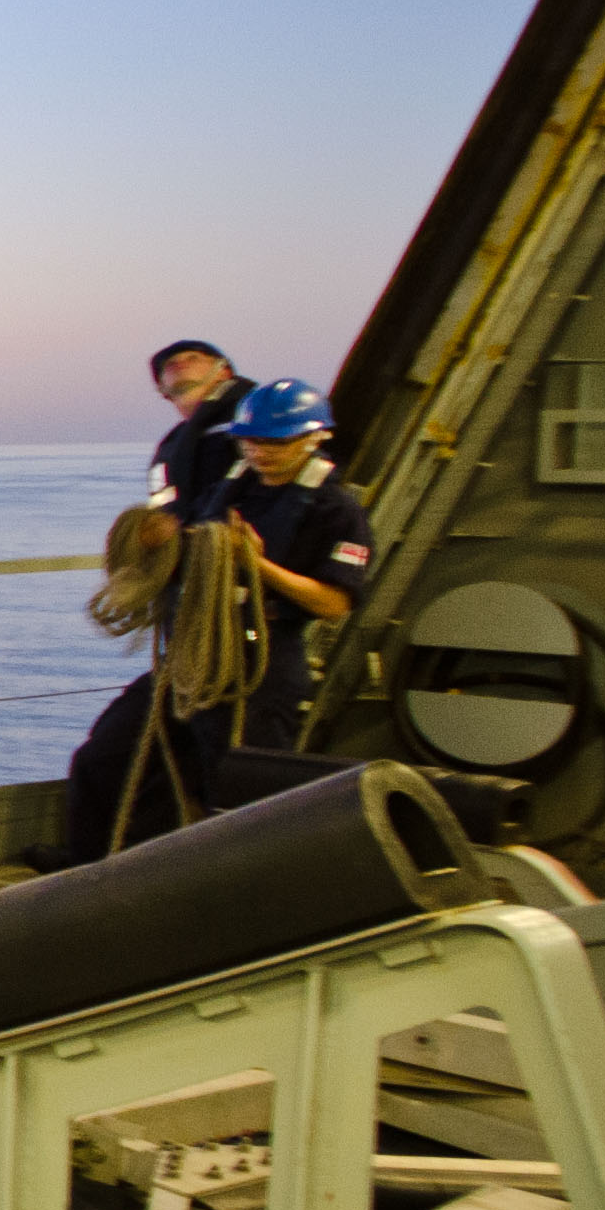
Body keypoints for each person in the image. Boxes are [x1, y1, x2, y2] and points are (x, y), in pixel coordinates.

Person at [70, 377, 374, 852]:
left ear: (316, 438)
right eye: (250, 440)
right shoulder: (228, 490)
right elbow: (194, 556)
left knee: (240, 796)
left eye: (276, 442)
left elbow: (334, 604)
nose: (260, 452)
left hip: (259, 670)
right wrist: (161, 544)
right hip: (191, 662)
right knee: (106, 757)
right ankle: (96, 870)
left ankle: (236, 891)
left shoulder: (337, 511)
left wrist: (258, 565)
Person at [65, 341, 282, 859]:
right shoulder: (172, 448)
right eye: (167, 366)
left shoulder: (261, 429)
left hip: (246, 644)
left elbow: (274, 517)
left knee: (231, 778)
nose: (177, 360)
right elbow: (164, 519)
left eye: (193, 356)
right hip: (186, 644)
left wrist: (210, 544)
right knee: (109, 756)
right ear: (161, 392)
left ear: (226, 370)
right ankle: (98, 863)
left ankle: (234, 879)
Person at [139, 339, 244, 513]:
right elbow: (162, 506)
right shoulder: (170, 445)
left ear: (223, 372)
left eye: (193, 358)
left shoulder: (251, 417)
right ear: (161, 387)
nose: (180, 365)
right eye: (170, 364)